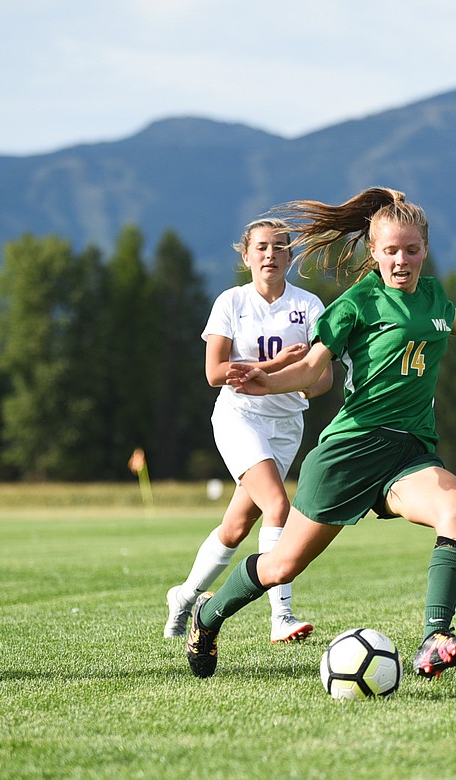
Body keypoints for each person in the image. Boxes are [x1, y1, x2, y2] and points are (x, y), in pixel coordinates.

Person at [183, 187, 456, 680]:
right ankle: (207, 617)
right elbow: (311, 371)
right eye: (390, 250)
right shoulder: (355, 304)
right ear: (374, 253)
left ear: (425, 249)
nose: (401, 260)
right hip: (350, 451)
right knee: (280, 567)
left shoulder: (433, 296)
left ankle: (434, 639)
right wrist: (266, 382)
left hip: (408, 453)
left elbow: (450, 321)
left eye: (410, 249)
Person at [164, 218, 332, 643]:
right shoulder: (230, 302)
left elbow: (324, 377)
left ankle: (184, 597)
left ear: (291, 257)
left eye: (279, 247)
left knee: (237, 527)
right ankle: (282, 617)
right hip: (239, 418)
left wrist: (305, 380)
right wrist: (275, 367)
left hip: (287, 424)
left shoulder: (310, 306)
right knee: (278, 508)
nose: (270, 255)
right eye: (261, 247)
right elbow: (214, 372)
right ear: (246, 256)